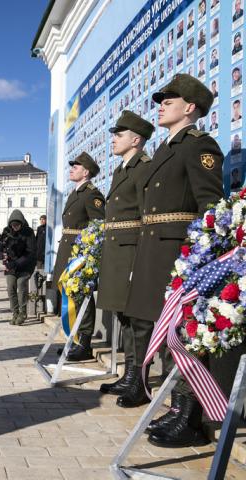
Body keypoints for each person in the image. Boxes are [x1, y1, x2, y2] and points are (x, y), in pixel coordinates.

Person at [125, 74, 223, 447]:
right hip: (154, 250)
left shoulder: (199, 145)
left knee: (182, 335)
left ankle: (190, 417)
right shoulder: (167, 149)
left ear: (191, 107)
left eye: (170, 99)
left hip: (178, 253)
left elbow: (210, 207)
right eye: (162, 99)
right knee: (164, 335)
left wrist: (198, 260)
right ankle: (175, 409)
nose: (162, 104)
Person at [95, 111, 154, 402]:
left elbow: (147, 217)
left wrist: (141, 260)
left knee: (139, 320)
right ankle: (129, 375)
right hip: (118, 252)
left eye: (119, 135)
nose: (114, 140)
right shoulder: (121, 170)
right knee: (125, 317)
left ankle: (139, 382)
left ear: (136, 139)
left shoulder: (144, 168)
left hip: (132, 251)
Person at [51, 152, 105, 361]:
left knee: (82, 295)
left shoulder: (92, 194)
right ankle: (73, 339)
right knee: (71, 296)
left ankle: (84, 343)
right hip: (68, 249)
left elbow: (98, 226)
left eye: (76, 166)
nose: (72, 168)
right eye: (72, 166)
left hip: (79, 254)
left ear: (86, 172)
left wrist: (88, 255)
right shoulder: (76, 193)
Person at [1, 210, 36, 325]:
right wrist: (0, 254)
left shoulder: (29, 232)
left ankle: (23, 312)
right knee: (11, 287)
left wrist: (16, 263)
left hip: (25, 266)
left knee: (21, 285)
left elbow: (30, 253)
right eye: (13, 225)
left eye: (17, 225)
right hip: (11, 266)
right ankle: (15, 312)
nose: (15, 227)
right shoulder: (7, 231)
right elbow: (0, 246)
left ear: (21, 223)